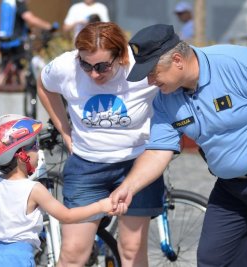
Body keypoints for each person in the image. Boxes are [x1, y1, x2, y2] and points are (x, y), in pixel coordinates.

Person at [110, 24, 247, 266]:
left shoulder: (236, 62)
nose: (149, 81)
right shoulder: (165, 100)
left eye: (152, 72)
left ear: (177, 60)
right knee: (214, 260)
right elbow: (158, 151)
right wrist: (130, 187)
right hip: (232, 188)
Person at [37, 22, 164, 266]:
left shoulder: (142, 67)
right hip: (87, 167)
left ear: (121, 56)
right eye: (86, 65)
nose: (94, 74)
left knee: (132, 249)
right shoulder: (66, 66)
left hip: (136, 166)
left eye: (102, 66)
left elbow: (176, 86)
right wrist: (64, 130)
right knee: (73, 253)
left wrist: (164, 137)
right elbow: (44, 86)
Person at [0, 114, 113, 267]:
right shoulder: (34, 189)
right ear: (21, 156)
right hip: (19, 258)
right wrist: (100, 206)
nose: (38, 150)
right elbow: (67, 216)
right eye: (34, 145)